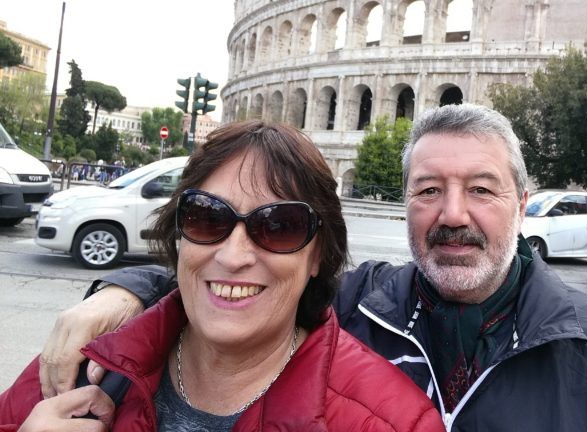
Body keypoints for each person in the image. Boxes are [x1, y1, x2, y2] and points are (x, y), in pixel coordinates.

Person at [33, 105, 587, 431]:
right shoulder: (360, 301)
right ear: (405, 206)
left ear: (522, 204)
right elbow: (247, 277)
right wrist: (125, 291)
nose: (452, 215)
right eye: (427, 191)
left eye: (480, 189)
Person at [0, 121, 443, 432]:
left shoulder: (393, 420)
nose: (233, 256)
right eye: (207, 218)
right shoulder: (79, 361)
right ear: (180, 235)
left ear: (317, 257)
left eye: (278, 226)